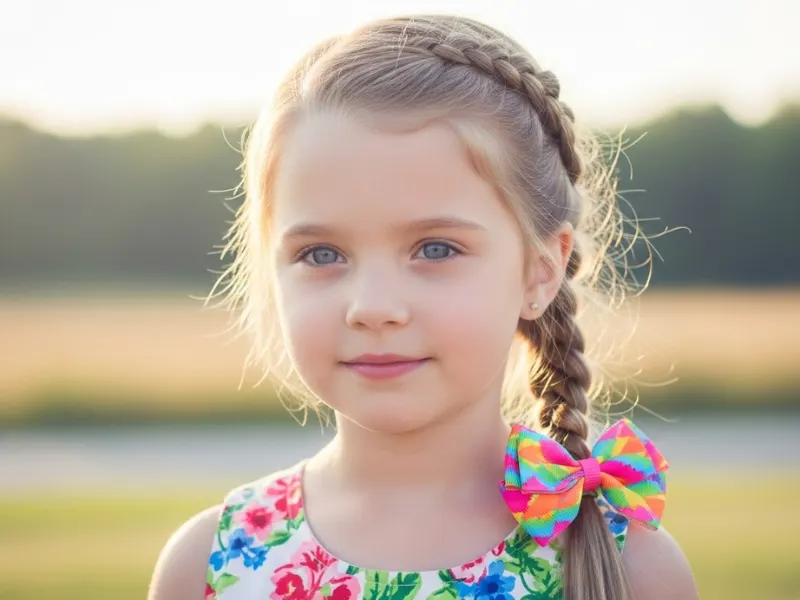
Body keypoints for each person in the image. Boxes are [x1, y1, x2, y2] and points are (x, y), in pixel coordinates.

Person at [148, 14, 697, 600]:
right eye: (321, 253)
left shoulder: (627, 568)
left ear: (541, 270)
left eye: (436, 248)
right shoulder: (213, 565)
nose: (373, 307)